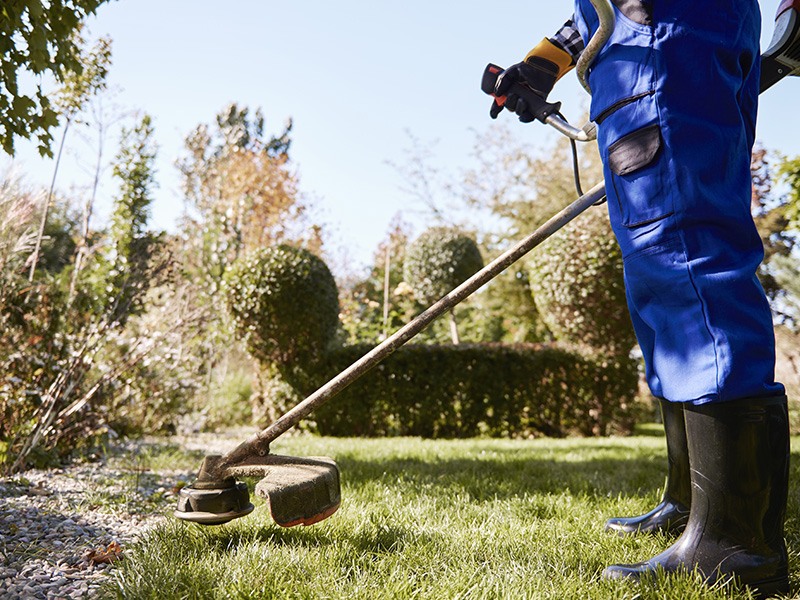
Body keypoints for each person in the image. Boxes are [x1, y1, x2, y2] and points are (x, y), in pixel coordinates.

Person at [490, 1, 790, 596]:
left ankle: (734, 540)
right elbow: (598, 11)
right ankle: (691, 503)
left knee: (684, 254)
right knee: (659, 277)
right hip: (645, 45)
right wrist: (545, 60)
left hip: (666, 38)